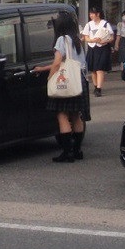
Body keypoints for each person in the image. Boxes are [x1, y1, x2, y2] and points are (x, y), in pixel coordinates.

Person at [33, 9, 89, 163]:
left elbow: (58, 63)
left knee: (62, 115)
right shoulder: (76, 40)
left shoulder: (61, 40)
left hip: (66, 82)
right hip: (79, 81)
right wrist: (44, 68)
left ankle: (67, 152)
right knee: (76, 115)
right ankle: (77, 151)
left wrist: (50, 77)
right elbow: (72, 63)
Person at [81, 7, 114, 97]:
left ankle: (99, 88)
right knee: (93, 70)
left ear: (98, 14)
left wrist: (105, 41)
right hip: (92, 48)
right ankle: (95, 86)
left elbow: (111, 37)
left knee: (100, 69)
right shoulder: (89, 24)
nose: (90, 15)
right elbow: (86, 37)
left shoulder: (105, 24)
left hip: (103, 48)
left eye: (92, 13)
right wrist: (92, 40)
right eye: (90, 14)